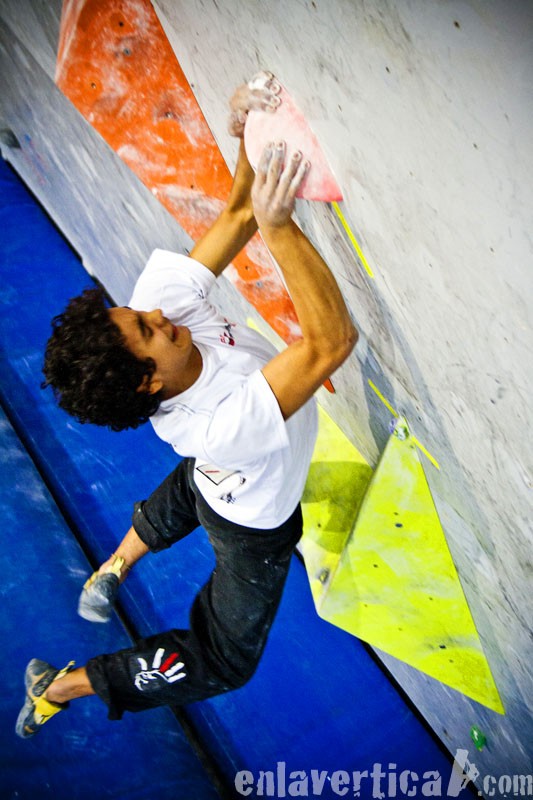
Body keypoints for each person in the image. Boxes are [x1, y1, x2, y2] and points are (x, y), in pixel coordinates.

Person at [16, 73, 357, 738]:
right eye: (147, 330)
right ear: (146, 381)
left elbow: (234, 215)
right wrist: (281, 228)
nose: (156, 312)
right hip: (252, 524)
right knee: (224, 661)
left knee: (191, 486)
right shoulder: (220, 424)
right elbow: (327, 343)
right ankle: (64, 686)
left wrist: (245, 132)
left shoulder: (158, 311)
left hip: (214, 473)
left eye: (136, 313)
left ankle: (115, 563)